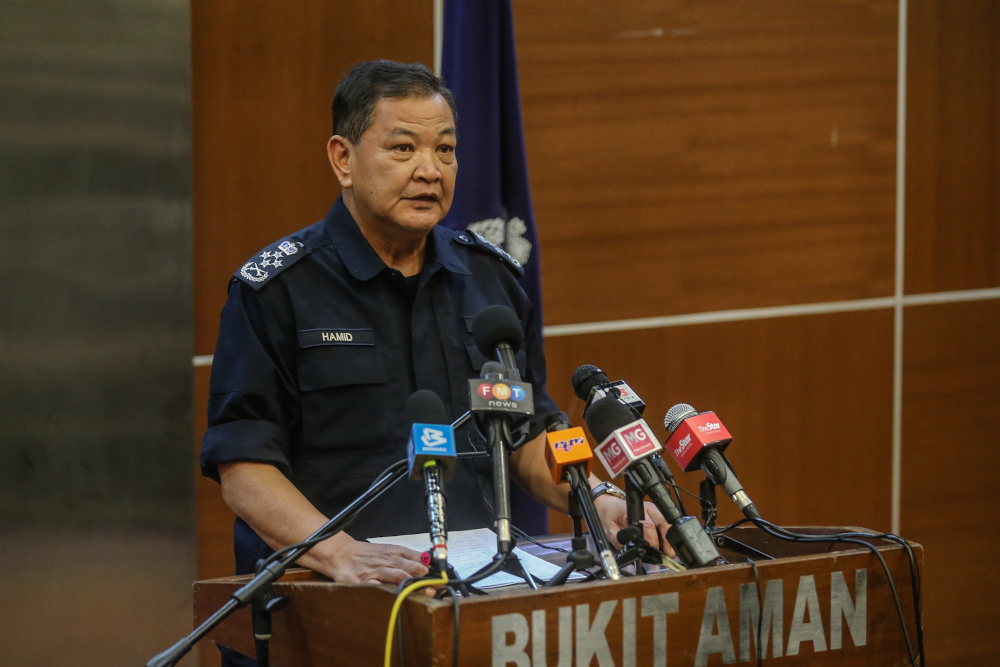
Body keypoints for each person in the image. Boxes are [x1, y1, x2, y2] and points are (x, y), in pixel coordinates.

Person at [201, 60, 671, 665]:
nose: (430, 170)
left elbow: (526, 435)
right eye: (403, 148)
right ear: (343, 159)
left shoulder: (491, 280)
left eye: (445, 150)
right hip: (324, 606)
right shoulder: (277, 291)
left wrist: (596, 496)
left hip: (470, 602)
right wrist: (339, 551)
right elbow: (244, 467)